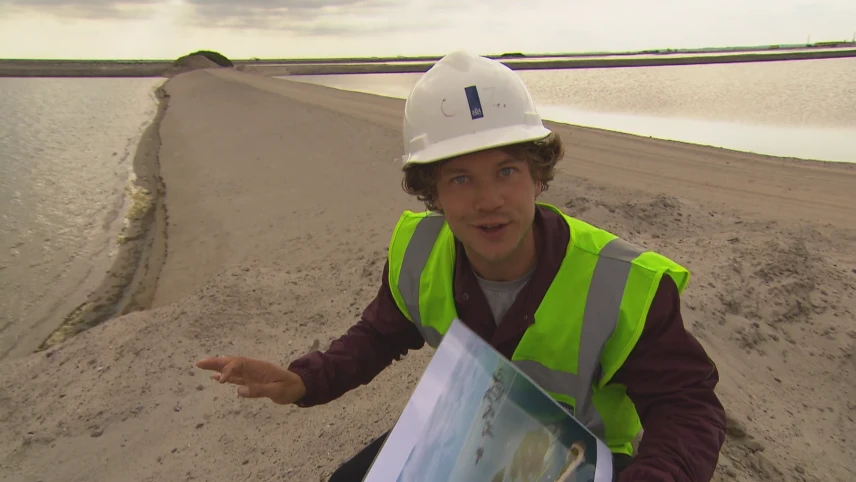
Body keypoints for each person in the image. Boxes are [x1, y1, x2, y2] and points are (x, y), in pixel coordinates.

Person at [196, 50, 727, 481]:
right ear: (432, 193)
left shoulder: (622, 281)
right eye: (461, 179)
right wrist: (302, 381)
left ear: (538, 176)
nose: (488, 200)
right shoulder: (420, 254)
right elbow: (377, 336)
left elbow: (685, 405)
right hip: (471, 436)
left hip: (582, 462)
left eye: (506, 171)